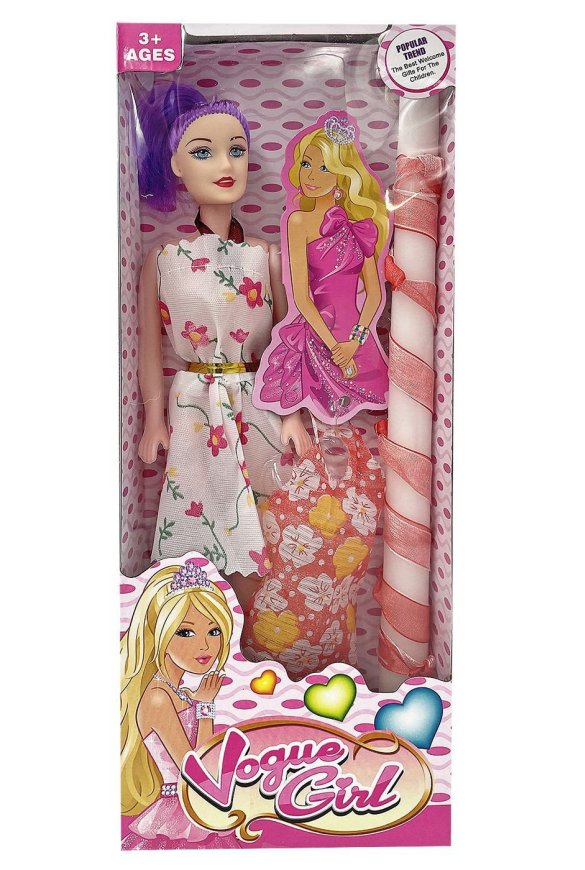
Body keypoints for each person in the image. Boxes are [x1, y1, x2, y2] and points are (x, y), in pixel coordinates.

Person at [135, 83, 311, 607]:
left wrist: (292, 414)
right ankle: (201, 625)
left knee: (267, 516)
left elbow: (285, 341)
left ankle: (264, 629)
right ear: (175, 166)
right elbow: (149, 348)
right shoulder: (164, 257)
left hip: (257, 398)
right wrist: (153, 419)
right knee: (196, 513)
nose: (225, 164)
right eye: (203, 152)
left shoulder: (265, 255)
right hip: (193, 402)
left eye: (237, 149)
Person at [257, 114, 390, 424]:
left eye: (324, 168)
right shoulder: (298, 222)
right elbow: (301, 298)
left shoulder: (360, 226)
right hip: (318, 335)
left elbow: (374, 295)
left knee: (363, 415)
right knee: (319, 412)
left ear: (342, 175)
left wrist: (354, 342)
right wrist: (334, 349)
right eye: (306, 164)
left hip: (356, 337)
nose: (311, 176)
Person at [121, 559, 236, 849]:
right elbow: (196, 770)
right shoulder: (158, 698)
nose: (205, 645)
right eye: (185, 632)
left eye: (214, 631)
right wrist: (205, 708)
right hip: (179, 815)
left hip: (195, 807)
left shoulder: (179, 692)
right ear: (160, 634)